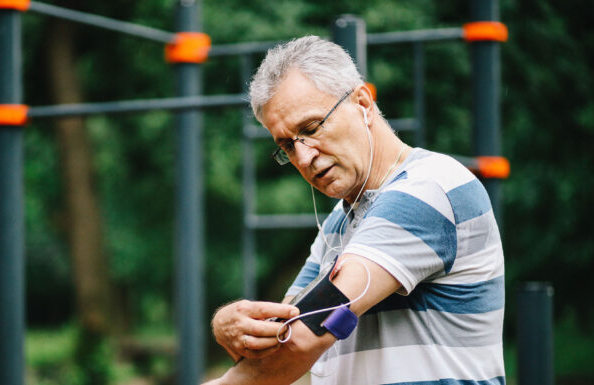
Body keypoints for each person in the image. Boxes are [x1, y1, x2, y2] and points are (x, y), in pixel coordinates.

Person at [206, 36, 505, 385]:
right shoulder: (339, 221)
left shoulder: (427, 189)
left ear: (362, 101)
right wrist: (228, 322)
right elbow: (283, 337)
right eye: (287, 145)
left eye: (311, 128)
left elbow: (307, 332)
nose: (303, 157)